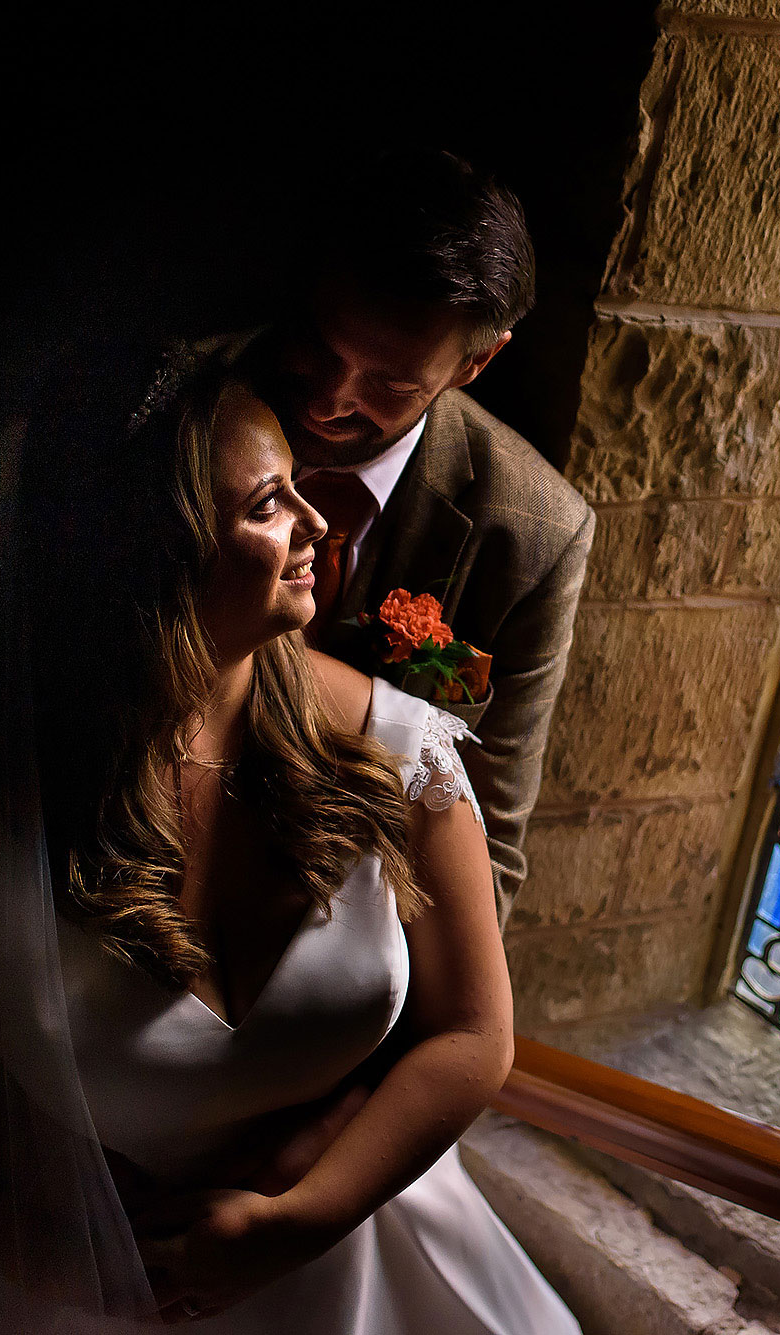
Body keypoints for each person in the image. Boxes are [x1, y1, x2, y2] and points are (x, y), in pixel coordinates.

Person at [11, 348, 581, 1331]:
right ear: (160, 549)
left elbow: (471, 1034)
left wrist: (297, 1220)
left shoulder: (398, 745)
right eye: (269, 504)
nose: (320, 523)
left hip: (343, 1254)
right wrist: (67, 1246)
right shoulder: (3, 788)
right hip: (75, 1273)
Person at [201, 149, 594, 930]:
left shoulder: (534, 536)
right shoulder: (185, 405)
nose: (327, 400)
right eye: (322, 344)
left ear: (478, 361)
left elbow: (492, 844)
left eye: (389, 384)